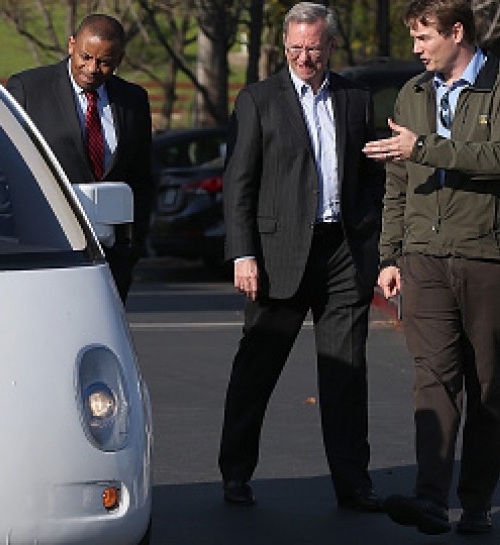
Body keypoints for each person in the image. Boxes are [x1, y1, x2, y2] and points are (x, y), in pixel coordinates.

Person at [362, 0, 500, 535]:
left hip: (488, 255)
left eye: (423, 38)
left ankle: (477, 503)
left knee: (485, 386)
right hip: (425, 259)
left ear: (456, 32)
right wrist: (390, 255)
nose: (415, 50)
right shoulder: (413, 94)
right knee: (433, 379)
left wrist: (426, 147)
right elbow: (396, 180)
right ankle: (430, 497)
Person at [218, 2, 385, 512]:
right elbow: (238, 184)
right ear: (284, 46)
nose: (304, 57)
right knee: (257, 369)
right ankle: (236, 472)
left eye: (313, 47)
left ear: (331, 45)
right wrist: (243, 253)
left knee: (345, 372)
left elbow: (373, 179)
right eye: (295, 48)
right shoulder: (258, 100)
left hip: (342, 252)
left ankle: (353, 483)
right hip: (277, 255)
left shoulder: (357, 99)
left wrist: (375, 246)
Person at [3, 14, 153, 301]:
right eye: (85, 56)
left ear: (120, 59)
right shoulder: (29, 90)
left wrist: (134, 246)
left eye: (105, 62)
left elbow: (141, 178)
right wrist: (6, 240)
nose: (92, 68)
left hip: (112, 259)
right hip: (44, 251)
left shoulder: (133, 100)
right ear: (72, 45)